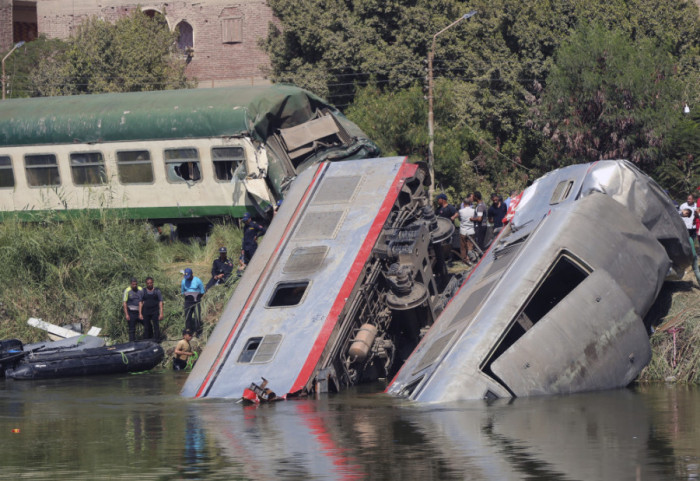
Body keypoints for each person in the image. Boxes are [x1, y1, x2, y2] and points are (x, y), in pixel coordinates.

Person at [181, 268, 205, 337]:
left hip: (196, 301)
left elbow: (202, 291)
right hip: (188, 301)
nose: (187, 279)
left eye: (189, 277)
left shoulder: (197, 280)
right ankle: (189, 332)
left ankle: (198, 331)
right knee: (187, 317)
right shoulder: (183, 281)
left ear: (192, 274)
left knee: (197, 317)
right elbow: (183, 292)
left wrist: (198, 297)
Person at [139, 276, 164, 342]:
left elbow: (161, 302)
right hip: (146, 311)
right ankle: (147, 340)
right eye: (148, 283)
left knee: (156, 326)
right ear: (146, 283)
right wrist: (140, 313)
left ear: (153, 283)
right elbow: (140, 302)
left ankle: (157, 340)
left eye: (151, 283)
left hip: (155, 311)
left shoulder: (157, 291)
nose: (149, 284)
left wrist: (161, 313)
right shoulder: (143, 291)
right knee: (146, 327)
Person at [458, 194, 477, 265]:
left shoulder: (460, 211)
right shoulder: (473, 210)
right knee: (470, 246)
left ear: (464, 203)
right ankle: (471, 258)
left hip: (463, 230)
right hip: (471, 230)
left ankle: (464, 259)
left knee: (463, 246)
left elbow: (460, 219)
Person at [122, 277, 143, 342]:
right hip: (131, 312)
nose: (135, 286)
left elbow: (142, 301)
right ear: (130, 284)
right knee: (132, 329)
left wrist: (141, 313)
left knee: (147, 324)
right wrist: (127, 314)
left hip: (140, 311)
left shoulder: (141, 289)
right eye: (133, 284)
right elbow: (124, 303)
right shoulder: (127, 290)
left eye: (136, 284)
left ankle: (148, 339)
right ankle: (132, 343)